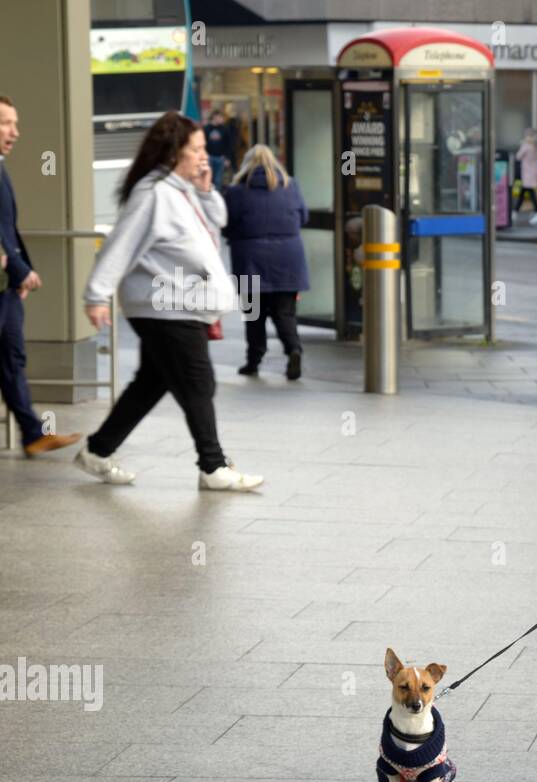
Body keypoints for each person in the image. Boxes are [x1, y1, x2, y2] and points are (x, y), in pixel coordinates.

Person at [76, 111, 264, 491]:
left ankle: (98, 449)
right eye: (195, 149)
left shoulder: (180, 190)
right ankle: (213, 466)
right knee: (198, 382)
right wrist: (97, 294)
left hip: (177, 302)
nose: (202, 156)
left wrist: (206, 188)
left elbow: (218, 225)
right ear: (173, 151)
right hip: (165, 303)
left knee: (153, 380)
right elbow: (121, 244)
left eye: (202, 149)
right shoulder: (154, 193)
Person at [0, 94, 82, 457]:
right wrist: (19, 270)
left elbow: (8, 228)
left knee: (12, 359)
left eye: (15, 124)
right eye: (6, 124)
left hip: (6, 288)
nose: (15, 132)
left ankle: (33, 434)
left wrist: (20, 272)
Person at [223, 144, 309, 381]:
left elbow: (226, 224)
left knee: (254, 314)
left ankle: (253, 361)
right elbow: (304, 216)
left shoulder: (236, 191)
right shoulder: (291, 186)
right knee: (285, 313)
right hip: (288, 259)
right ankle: (293, 349)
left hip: (250, 259)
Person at [514, 128, 537, 225]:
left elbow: (518, 156)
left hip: (527, 172)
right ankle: (515, 211)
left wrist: (522, 145)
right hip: (534, 172)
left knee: (530, 192)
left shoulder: (526, 146)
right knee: (525, 192)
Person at [203, 109, 235, 188]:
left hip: (220, 158)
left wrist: (227, 158)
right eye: (220, 117)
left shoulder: (225, 129)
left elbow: (229, 144)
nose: (222, 119)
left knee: (218, 180)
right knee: (208, 179)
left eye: (222, 117)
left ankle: (217, 196)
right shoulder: (207, 129)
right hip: (209, 157)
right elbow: (203, 143)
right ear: (214, 117)